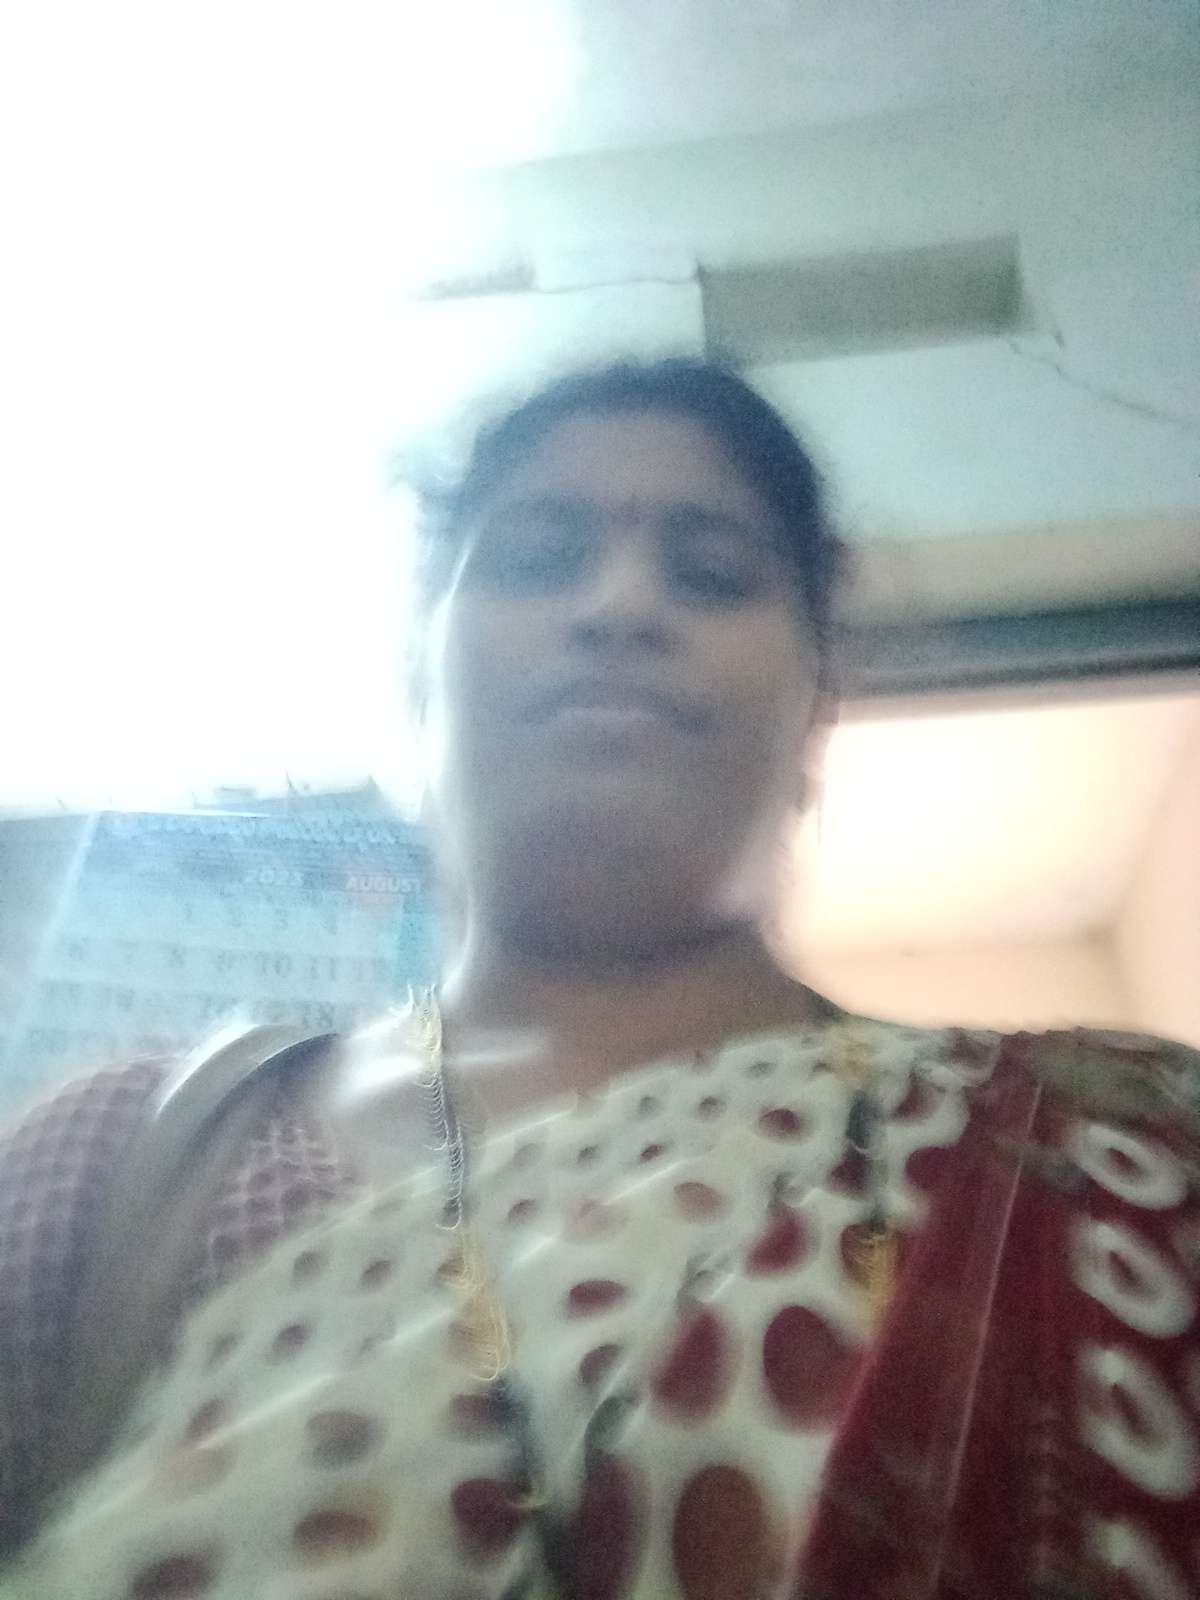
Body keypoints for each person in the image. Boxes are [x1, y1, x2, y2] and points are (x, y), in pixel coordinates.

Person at [1, 358, 1198, 1599]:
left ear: (817, 702)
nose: (623, 604)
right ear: (420, 675)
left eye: (712, 574)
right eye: (538, 558)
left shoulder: (1091, 1157)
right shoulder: (115, 1166)